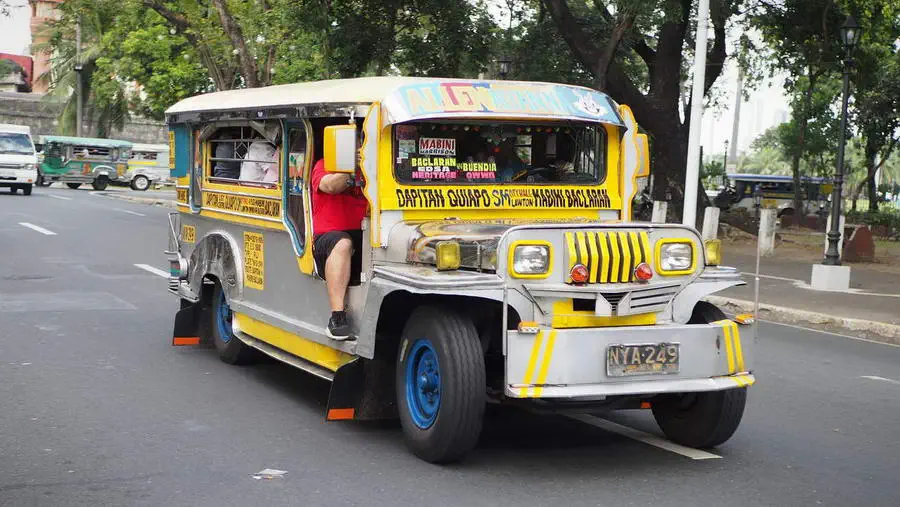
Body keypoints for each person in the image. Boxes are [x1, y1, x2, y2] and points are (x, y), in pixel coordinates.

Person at [311, 155, 367, 339]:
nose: (360, 147)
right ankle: (337, 317)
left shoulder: (380, 167)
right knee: (343, 243)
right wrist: (354, 165)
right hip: (327, 239)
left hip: (366, 232)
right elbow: (330, 186)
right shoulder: (324, 164)